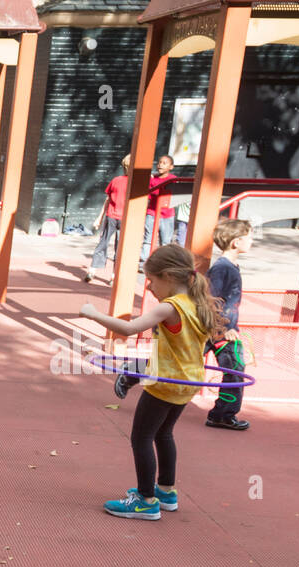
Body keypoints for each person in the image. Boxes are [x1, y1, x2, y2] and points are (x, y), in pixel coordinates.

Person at [79, 245, 223, 520]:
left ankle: (146, 500)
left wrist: (92, 314)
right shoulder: (197, 303)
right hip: (188, 381)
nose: (150, 286)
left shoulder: (169, 307)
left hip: (166, 383)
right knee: (163, 433)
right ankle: (166, 491)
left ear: (168, 276)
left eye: (152, 280)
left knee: (141, 437)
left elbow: (130, 328)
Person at [206, 218, 253, 431]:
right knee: (235, 370)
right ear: (236, 242)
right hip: (217, 330)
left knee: (235, 369)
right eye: (249, 237)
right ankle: (222, 415)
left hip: (221, 329)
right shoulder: (222, 269)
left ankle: (222, 414)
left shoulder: (229, 266)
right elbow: (211, 299)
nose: (252, 240)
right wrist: (224, 329)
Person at [86, 155, 130, 283]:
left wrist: (99, 218)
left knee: (103, 243)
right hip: (121, 217)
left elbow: (107, 200)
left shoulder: (116, 180)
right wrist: (99, 218)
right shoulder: (129, 183)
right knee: (119, 247)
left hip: (112, 216)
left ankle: (93, 270)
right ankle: (113, 276)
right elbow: (108, 199)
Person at [139, 155, 178, 268]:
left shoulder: (173, 180)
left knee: (165, 242)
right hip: (152, 213)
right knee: (148, 239)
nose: (160, 165)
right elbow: (149, 195)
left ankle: (163, 264)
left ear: (171, 167)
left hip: (167, 215)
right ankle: (143, 263)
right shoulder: (152, 179)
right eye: (159, 162)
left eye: (164, 163)